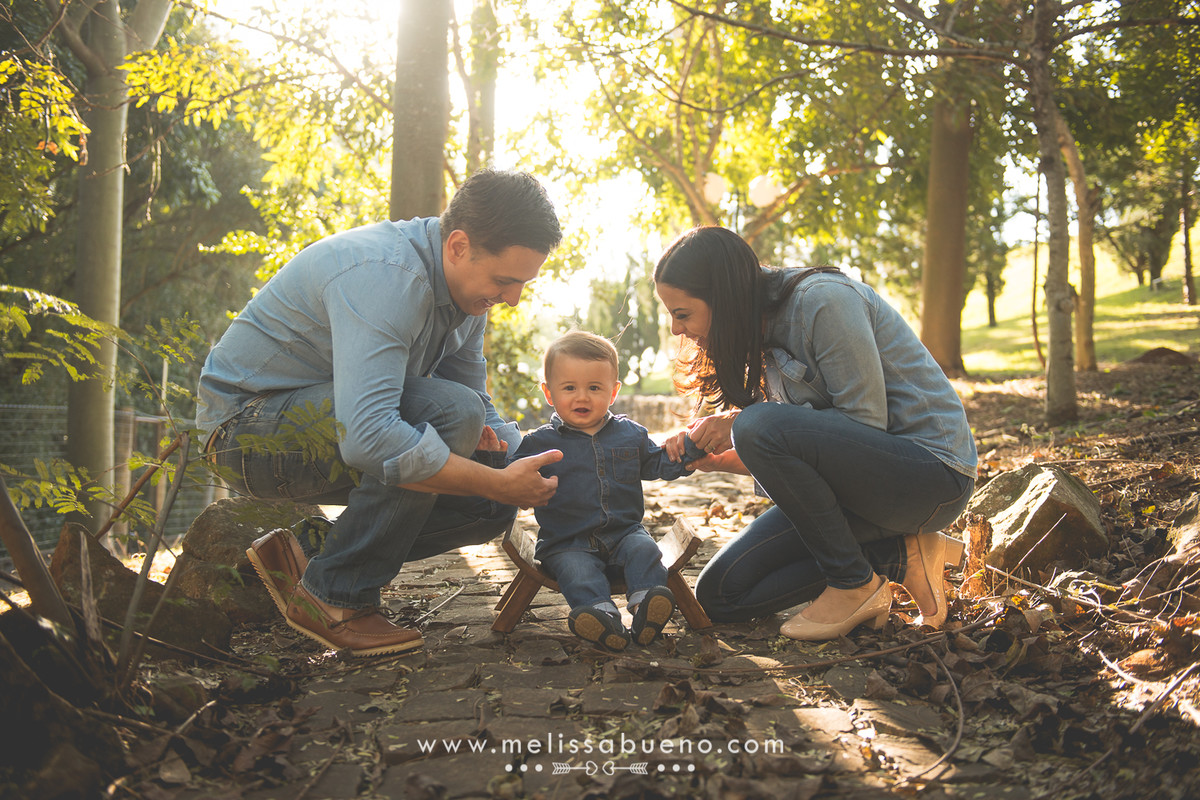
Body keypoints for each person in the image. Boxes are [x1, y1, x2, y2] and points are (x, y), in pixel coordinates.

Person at [196, 169, 565, 657]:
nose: (512, 298)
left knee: (492, 501)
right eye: (504, 281)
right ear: (458, 246)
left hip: (326, 426)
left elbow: (480, 408)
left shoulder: (467, 299)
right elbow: (369, 436)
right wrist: (496, 479)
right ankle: (335, 596)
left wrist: (549, 459)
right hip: (246, 432)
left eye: (521, 283)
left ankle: (312, 553)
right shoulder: (387, 277)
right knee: (453, 421)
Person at [655, 226, 977, 641]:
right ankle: (900, 556)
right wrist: (721, 461)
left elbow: (863, 426)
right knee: (721, 594)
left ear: (724, 296)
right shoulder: (761, 331)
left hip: (930, 477)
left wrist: (738, 426)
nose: (677, 329)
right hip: (862, 493)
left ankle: (853, 584)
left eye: (682, 314)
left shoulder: (823, 301)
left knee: (755, 423)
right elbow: (805, 451)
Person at [512, 331, 705, 651]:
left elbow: (659, 464)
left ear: (613, 392)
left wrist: (687, 451)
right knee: (578, 571)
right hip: (566, 541)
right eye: (569, 388)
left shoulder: (630, 434)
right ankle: (600, 617)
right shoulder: (538, 444)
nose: (582, 397)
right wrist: (494, 459)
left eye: (594, 388)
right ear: (549, 392)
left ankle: (647, 607)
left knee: (645, 551)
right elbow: (511, 479)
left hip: (623, 533)